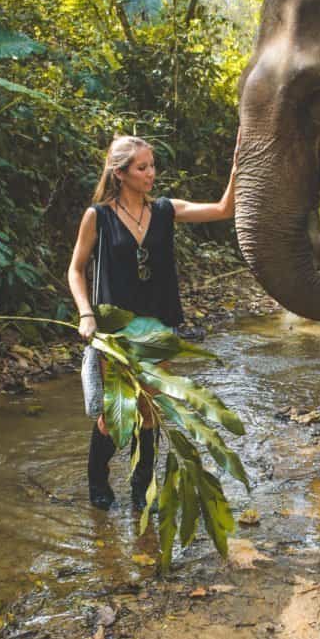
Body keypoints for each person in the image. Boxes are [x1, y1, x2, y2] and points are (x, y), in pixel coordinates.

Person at [68, 132, 238, 510]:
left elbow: (224, 209)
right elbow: (76, 270)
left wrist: (240, 162)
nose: (151, 174)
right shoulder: (98, 217)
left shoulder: (165, 209)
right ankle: (99, 486)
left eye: (152, 166)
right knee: (114, 416)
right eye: (143, 167)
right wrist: (85, 313)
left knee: (149, 409)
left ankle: (142, 492)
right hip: (114, 330)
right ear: (120, 173)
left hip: (158, 329)